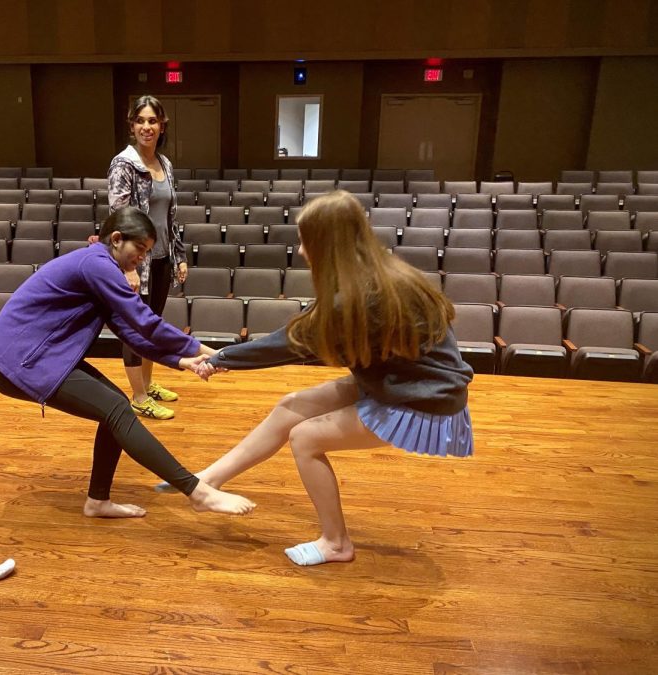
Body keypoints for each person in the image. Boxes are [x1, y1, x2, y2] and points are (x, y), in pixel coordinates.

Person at [163, 190, 474, 565]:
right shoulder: (382, 272)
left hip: (422, 400)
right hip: (404, 380)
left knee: (306, 438)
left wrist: (220, 359)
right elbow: (304, 337)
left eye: (304, 240)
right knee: (291, 406)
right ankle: (210, 479)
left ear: (326, 243)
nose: (300, 250)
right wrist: (227, 357)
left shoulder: (359, 293)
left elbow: (291, 343)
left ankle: (336, 543)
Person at [0, 207, 255, 518]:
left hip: (40, 356)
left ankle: (98, 501)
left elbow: (130, 332)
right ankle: (198, 492)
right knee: (117, 410)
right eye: (140, 249)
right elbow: (144, 321)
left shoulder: (98, 266)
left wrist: (182, 360)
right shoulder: (96, 265)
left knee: (116, 406)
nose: (142, 259)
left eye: (147, 252)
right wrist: (204, 348)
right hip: (17, 361)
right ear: (117, 239)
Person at [106, 94, 187, 421]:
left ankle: (149, 384)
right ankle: (138, 397)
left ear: (162, 125)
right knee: (134, 330)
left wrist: (178, 255)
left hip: (162, 258)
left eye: (152, 120)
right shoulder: (124, 164)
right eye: (140, 121)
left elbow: (170, 216)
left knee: (151, 326)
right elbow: (119, 218)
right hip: (137, 262)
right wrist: (129, 266)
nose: (146, 127)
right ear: (131, 125)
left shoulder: (164, 164)